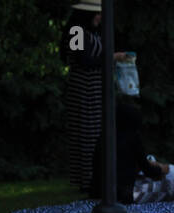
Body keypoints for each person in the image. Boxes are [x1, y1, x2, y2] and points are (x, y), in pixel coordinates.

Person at [63, 1, 103, 192]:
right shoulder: (76, 31)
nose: (99, 17)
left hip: (94, 90)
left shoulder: (92, 32)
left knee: (94, 133)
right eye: (96, 14)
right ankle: (86, 179)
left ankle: (93, 177)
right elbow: (82, 60)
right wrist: (110, 59)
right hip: (83, 90)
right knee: (85, 133)